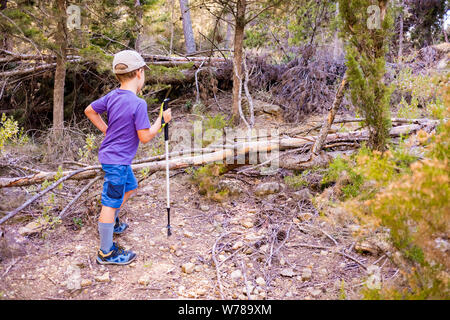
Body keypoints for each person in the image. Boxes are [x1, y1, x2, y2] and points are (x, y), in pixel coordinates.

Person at [84, 50, 172, 265]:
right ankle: (106, 252)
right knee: (111, 202)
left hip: (117, 160)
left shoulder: (112, 96)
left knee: (131, 187)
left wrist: (107, 131)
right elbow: (144, 137)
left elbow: (89, 110)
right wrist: (161, 121)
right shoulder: (138, 103)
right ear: (140, 73)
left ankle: (110, 221)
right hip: (116, 161)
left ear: (118, 76)